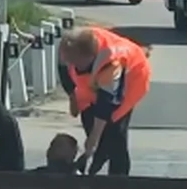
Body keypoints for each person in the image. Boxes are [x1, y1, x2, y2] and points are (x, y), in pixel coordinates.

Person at [57, 26, 152, 176]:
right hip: (93, 82)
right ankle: (99, 154)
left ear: (88, 57)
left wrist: (94, 139)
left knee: (115, 132)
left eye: (75, 62)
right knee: (90, 121)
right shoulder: (71, 46)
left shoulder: (110, 64)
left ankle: (118, 180)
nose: (71, 65)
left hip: (131, 78)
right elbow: (63, 69)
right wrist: (72, 97)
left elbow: (105, 105)